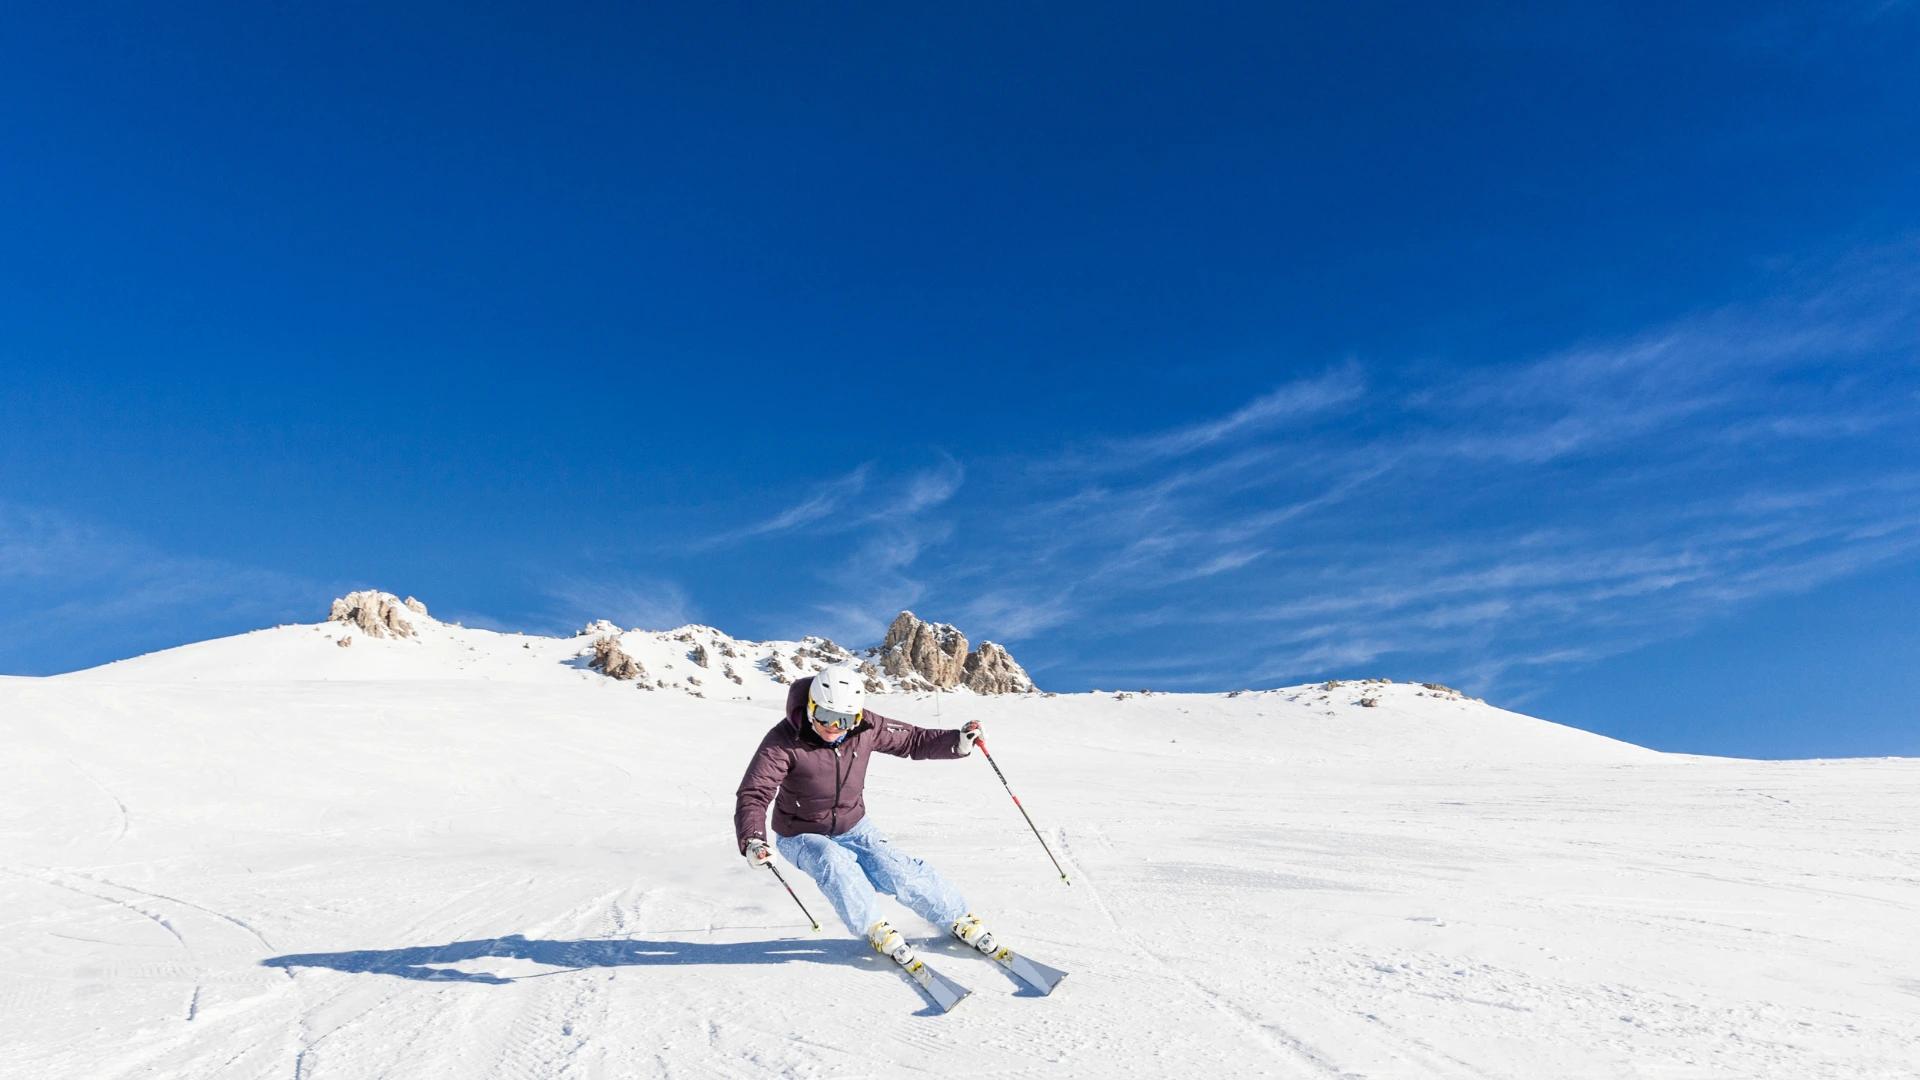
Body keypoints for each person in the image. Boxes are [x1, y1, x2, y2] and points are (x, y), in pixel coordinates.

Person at [733, 665, 1002, 970]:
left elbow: (912, 740)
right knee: (834, 862)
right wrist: (753, 838)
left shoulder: (866, 728)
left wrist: (958, 741)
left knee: (896, 869)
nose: (834, 727)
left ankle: (956, 917)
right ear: (810, 708)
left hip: (854, 825)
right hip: (800, 833)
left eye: (845, 720)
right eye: (824, 716)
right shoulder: (782, 741)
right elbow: (755, 793)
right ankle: (875, 928)